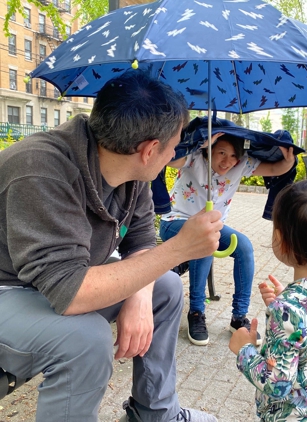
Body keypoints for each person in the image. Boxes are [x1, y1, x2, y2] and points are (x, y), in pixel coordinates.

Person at [0, 71, 223, 422]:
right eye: (175, 145)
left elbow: (143, 242)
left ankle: (155, 414)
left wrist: (139, 296)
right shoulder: (41, 169)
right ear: (150, 150)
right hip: (10, 290)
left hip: (57, 284)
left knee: (164, 288)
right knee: (85, 341)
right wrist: (179, 248)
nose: (173, 155)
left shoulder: (134, 177)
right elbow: (70, 293)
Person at [229, 179, 307, 422]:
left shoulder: (287, 309)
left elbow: (278, 383)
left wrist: (244, 349)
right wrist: (283, 302)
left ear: (280, 238)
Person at [159, 134, 295, 346]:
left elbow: (275, 169)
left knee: (244, 247)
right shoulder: (194, 159)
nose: (227, 161)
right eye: (221, 152)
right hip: (176, 221)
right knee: (205, 239)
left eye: (233, 155)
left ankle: (239, 317)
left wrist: (288, 161)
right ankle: (196, 312)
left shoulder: (241, 165)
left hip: (212, 226)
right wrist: (201, 144)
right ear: (210, 150)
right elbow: (166, 158)